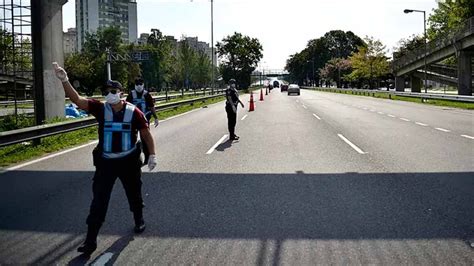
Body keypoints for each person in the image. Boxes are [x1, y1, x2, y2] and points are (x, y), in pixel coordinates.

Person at [53, 62, 157, 255]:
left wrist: (152, 155)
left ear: (121, 92)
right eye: (107, 90)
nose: (110, 93)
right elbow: (77, 100)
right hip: (106, 163)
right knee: (99, 202)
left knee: (134, 193)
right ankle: (90, 241)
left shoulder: (134, 111)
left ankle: (138, 219)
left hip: (128, 162)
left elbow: (146, 133)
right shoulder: (100, 108)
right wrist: (64, 80)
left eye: (113, 90)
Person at [126, 77, 158, 164]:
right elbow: (126, 106)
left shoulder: (147, 95)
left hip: (144, 120)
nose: (139, 86)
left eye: (140, 84)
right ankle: (133, 157)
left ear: (143, 84)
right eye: (137, 84)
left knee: (145, 139)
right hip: (133, 120)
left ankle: (147, 157)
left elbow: (151, 107)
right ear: (135, 85)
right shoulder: (131, 94)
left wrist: (155, 117)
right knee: (131, 138)